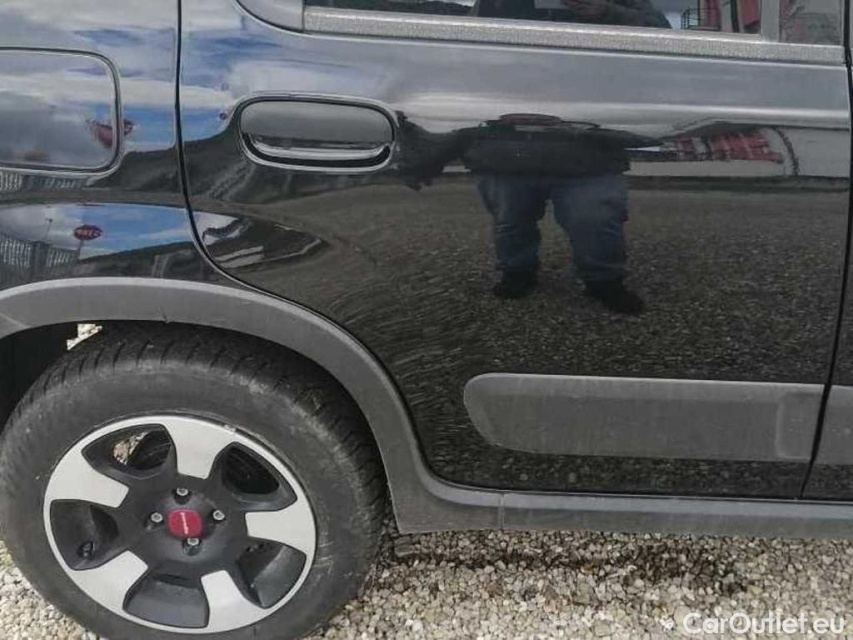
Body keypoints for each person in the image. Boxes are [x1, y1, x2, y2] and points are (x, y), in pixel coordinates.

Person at [473, 0, 670, 28]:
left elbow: (662, 33)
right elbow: (472, 32)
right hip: (513, 91)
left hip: (597, 88)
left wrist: (607, 12)